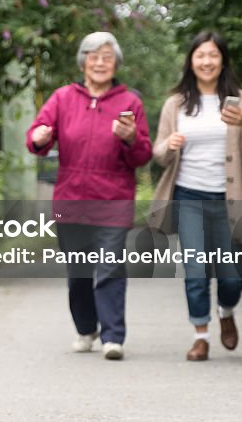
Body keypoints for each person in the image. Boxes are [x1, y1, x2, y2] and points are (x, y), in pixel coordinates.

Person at [26, 31, 152, 361]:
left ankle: (113, 337)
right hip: (71, 201)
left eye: (107, 57)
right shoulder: (63, 97)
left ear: (116, 63)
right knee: (78, 272)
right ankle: (86, 328)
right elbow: (37, 137)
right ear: (83, 62)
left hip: (113, 201)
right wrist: (39, 137)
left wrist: (129, 138)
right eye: (93, 56)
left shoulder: (130, 103)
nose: (99, 62)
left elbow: (142, 155)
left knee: (110, 268)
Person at [149, 31, 242, 361]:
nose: (206, 61)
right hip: (189, 196)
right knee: (196, 269)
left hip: (230, 199)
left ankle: (226, 310)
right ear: (191, 61)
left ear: (223, 61)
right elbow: (158, 152)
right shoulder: (175, 104)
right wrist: (169, 145)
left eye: (213, 55)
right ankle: (200, 334)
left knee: (232, 277)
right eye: (200, 55)